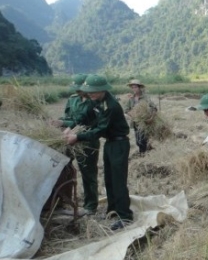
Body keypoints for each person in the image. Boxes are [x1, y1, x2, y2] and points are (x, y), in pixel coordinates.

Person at [64, 74, 133, 230]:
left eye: (93, 91)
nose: (90, 94)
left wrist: (77, 136)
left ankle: (125, 216)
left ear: (103, 90)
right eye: (89, 91)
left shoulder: (111, 106)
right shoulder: (96, 101)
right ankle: (113, 211)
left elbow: (99, 130)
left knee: (118, 180)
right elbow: (84, 117)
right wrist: (69, 127)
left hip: (119, 144)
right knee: (108, 178)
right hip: (109, 144)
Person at [51, 74, 100, 216]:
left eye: (80, 89)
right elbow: (68, 117)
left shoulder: (94, 102)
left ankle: (90, 206)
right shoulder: (72, 100)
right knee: (62, 168)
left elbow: (81, 121)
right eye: (76, 89)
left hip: (86, 142)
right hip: (68, 140)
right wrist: (59, 122)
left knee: (88, 174)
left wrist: (65, 125)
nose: (78, 92)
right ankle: (61, 200)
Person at [124, 79, 157, 154]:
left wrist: (151, 118)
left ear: (139, 88)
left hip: (145, 122)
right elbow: (126, 109)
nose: (134, 89)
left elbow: (154, 108)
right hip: (135, 122)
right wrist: (132, 114)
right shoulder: (131, 99)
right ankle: (147, 150)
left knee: (142, 141)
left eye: (135, 87)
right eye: (132, 87)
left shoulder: (145, 98)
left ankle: (143, 155)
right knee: (137, 142)